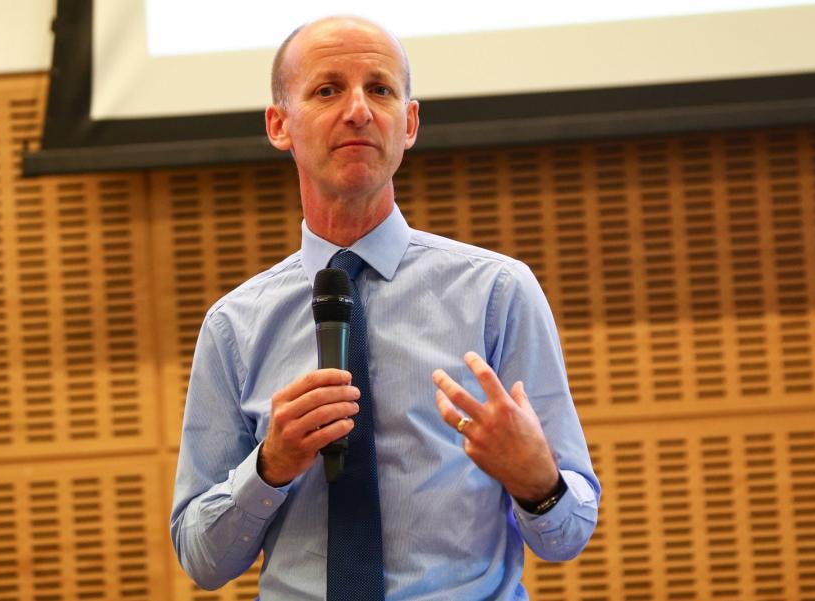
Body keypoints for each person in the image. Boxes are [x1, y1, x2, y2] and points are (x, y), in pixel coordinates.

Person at [170, 15, 600, 600]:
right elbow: (201, 560)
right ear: (279, 125)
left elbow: (568, 533)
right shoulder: (233, 327)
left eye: (380, 89)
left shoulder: (498, 293)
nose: (357, 110)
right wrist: (268, 466)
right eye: (327, 90)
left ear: (410, 123)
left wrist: (537, 481)